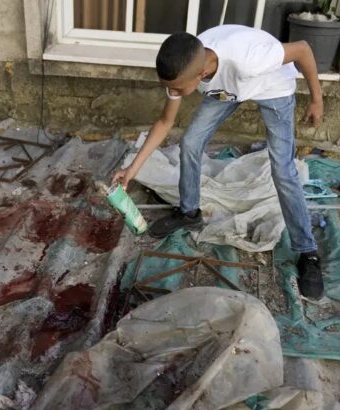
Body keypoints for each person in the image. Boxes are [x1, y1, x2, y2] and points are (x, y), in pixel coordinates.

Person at [111, 25, 325, 300]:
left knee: (282, 169)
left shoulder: (251, 58)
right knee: (189, 142)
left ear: (200, 75)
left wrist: (316, 100)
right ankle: (189, 212)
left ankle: (308, 252)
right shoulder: (186, 61)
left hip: (272, 86)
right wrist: (132, 170)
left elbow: (303, 49)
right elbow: (166, 122)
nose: (171, 92)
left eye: (175, 88)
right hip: (228, 89)